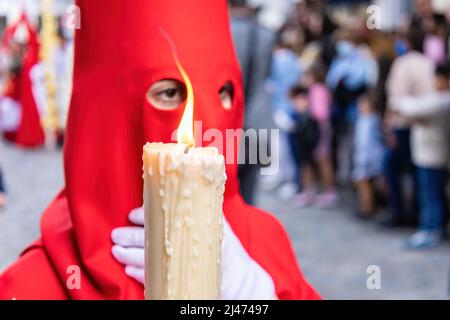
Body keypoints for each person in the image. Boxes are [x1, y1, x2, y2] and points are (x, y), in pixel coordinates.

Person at [0, 0, 320, 300]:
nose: (205, 125)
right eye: (169, 92)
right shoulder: (32, 284)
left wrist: (249, 292)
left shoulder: (265, 241)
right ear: (104, 111)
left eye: (223, 92)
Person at [391, 64, 450, 248]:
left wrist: (410, 107)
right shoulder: (437, 99)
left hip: (433, 156)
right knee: (434, 193)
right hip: (428, 154)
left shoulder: (443, 100)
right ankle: (436, 227)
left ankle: (430, 229)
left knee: (430, 195)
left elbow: (408, 108)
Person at [383, 28, 434, 227]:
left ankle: (400, 212)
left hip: (403, 125)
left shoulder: (403, 64)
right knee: (417, 173)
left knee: (392, 168)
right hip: (423, 123)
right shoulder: (428, 63)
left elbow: (396, 100)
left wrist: (389, 127)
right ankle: (417, 213)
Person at [229, 0, 275, 205]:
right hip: (258, 118)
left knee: (225, 189)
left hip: (227, 118)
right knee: (249, 189)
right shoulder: (266, 35)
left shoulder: (224, 31)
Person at [352, 93, 385, 219]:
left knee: (364, 183)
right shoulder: (365, 120)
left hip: (367, 159)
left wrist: (363, 160)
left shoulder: (369, 121)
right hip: (366, 157)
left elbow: (366, 143)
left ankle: (367, 208)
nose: (360, 107)